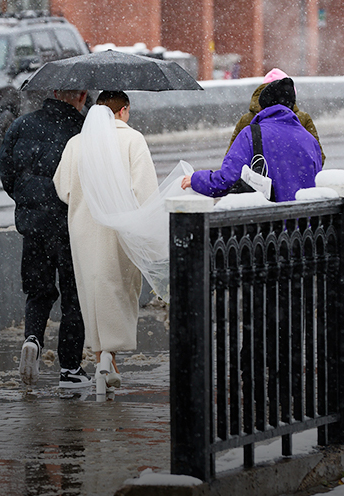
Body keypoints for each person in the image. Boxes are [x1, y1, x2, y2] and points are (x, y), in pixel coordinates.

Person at [53, 91, 159, 392]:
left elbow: (63, 188)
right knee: (120, 289)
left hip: (84, 230)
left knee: (92, 292)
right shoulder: (133, 140)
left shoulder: (76, 143)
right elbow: (145, 190)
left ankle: (102, 357)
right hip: (121, 231)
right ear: (123, 111)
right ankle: (108, 356)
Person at [0, 89, 92, 389]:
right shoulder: (83, 129)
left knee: (38, 291)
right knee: (73, 298)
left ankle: (33, 339)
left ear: (52, 92)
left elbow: (7, 174)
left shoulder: (21, 125)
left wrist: (27, 202)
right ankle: (69, 369)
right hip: (69, 227)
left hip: (33, 226)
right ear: (81, 94)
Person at [182, 77, 322, 202]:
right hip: (306, 226)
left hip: (270, 225)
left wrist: (197, 179)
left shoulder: (252, 133)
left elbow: (228, 179)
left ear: (263, 107)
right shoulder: (309, 139)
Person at [228, 68, 325, 165]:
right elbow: (318, 157)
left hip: (256, 178)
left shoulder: (246, 120)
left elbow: (231, 159)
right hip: (293, 178)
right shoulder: (302, 118)